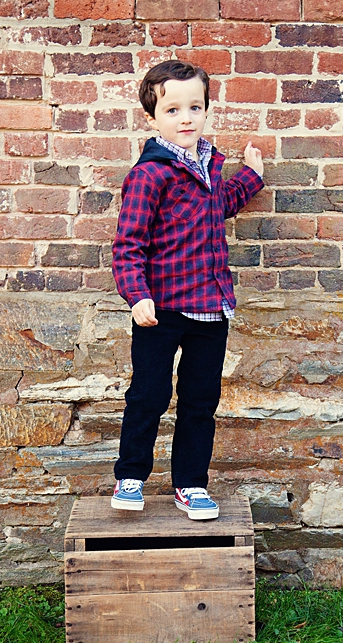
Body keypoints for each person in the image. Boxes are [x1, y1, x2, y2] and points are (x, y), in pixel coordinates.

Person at [110, 60, 265, 520]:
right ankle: (131, 475)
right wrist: (137, 296)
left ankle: (191, 484)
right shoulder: (150, 174)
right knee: (149, 394)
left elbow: (219, 207)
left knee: (200, 401)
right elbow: (129, 243)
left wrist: (249, 177)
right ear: (153, 117)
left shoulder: (209, 167)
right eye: (173, 109)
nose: (186, 118)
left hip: (211, 308)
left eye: (194, 107)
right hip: (160, 309)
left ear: (205, 110)